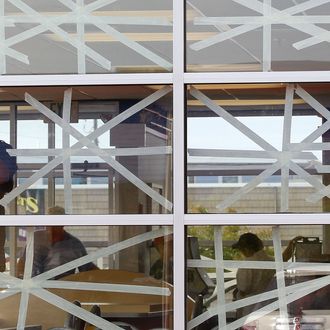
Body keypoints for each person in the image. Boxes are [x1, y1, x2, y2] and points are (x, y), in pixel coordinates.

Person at [232, 232, 302, 318]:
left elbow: (243, 288)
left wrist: (237, 293)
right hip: (271, 308)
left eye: (241, 249)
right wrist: (292, 244)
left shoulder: (246, 266)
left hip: (251, 309)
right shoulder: (269, 261)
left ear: (246, 249)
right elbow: (283, 259)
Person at [17, 206, 97, 279]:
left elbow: (88, 269)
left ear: (62, 224)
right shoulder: (36, 238)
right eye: (49, 222)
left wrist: (105, 277)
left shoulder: (74, 245)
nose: (51, 227)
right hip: (32, 289)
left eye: (55, 223)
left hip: (60, 291)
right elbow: (22, 261)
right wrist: (20, 280)